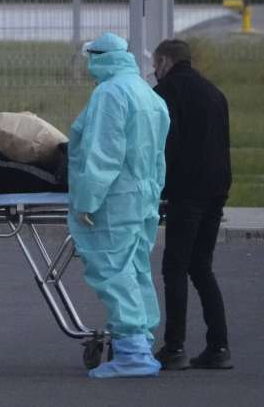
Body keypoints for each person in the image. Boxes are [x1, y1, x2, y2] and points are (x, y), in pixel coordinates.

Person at [67, 32, 170, 378]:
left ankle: (132, 355)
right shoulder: (147, 93)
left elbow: (103, 153)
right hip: (143, 197)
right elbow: (158, 156)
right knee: (135, 268)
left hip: (115, 199)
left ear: (99, 58)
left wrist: (85, 200)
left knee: (113, 270)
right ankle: (139, 341)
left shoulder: (110, 94)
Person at [151, 39, 233, 371]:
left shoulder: (166, 94)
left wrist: (160, 190)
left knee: (174, 268)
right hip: (217, 188)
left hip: (186, 191)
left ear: (166, 61)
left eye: (156, 64)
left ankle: (175, 347)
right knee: (201, 266)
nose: (153, 71)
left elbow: (166, 147)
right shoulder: (215, 93)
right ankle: (219, 346)